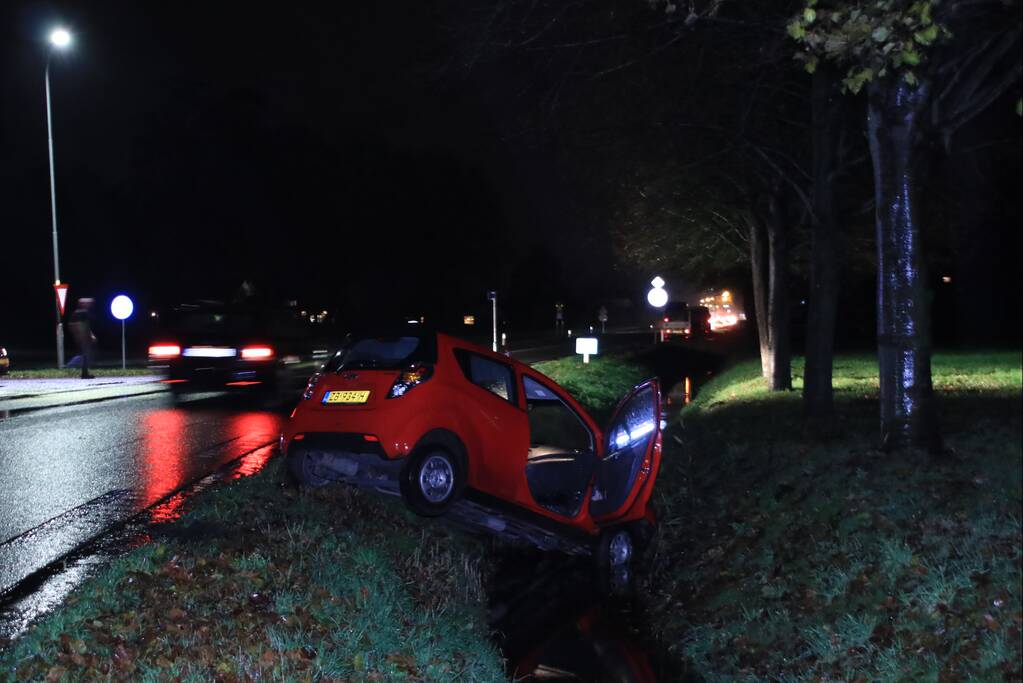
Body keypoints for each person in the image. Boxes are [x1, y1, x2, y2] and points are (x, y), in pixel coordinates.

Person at [68, 298, 97, 379]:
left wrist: (91, 335)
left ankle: (84, 372)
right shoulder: (80, 313)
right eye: (87, 303)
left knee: (86, 354)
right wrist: (79, 335)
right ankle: (71, 366)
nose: (90, 305)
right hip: (82, 337)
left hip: (84, 336)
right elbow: (76, 325)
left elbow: (85, 325)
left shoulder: (83, 313)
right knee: (85, 354)